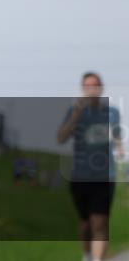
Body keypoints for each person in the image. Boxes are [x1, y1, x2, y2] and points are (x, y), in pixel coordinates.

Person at [57, 72, 125, 261]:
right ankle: (87, 256)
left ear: (101, 88)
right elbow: (61, 138)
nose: (91, 90)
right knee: (86, 225)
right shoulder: (74, 112)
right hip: (80, 176)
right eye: (87, 86)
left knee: (100, 222)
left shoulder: (112, 112)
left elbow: (117, 132)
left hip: (104, 175)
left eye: (95, 86)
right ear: (82, 89)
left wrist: (119, 147)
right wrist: (76, 114)